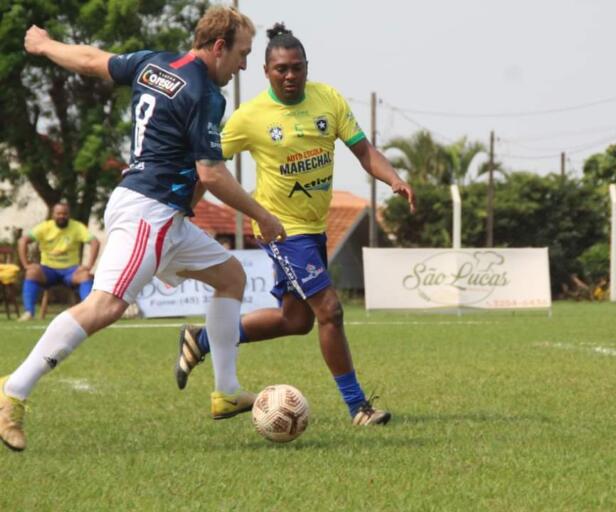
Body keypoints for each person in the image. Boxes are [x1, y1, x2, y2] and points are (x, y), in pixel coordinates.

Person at [0, 6, 285, 452]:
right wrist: (263, 216)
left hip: (162, 213)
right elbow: (210, 174)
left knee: (231, 277)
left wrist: (44, 45)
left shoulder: (155, 62)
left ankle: (226, 391)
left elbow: (94, 61)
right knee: (105, 306)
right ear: (217, 47)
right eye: (243, 54)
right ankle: (12, 392)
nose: (244, 64)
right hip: (149, 212)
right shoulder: (206, 94)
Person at [175, 23, 416, 426]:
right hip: (280, 229)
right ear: (266, 72)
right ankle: (358, 407)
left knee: (296, 320)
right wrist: (181, 210)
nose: (290, 76)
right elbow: (205, 169)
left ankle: (201, 339)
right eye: (281, 69)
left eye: (297, 68)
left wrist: (393, 178)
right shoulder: (249, 117)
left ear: (307, 67)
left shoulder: (328, 100)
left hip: (315, 225)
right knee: (330, 310)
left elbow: (363, 150)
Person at [17, 202, 100, 321]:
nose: (62, 216)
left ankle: (89, 313)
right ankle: (29, 312)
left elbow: (94, 242)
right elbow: (22, 241)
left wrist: (89, 265)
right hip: (48, 270)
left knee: (85, 276)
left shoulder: (77, 227)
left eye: (65, 214)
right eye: (59, 213)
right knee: (31, 272)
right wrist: (26, 265)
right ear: (53, 214)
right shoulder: (44, 227)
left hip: (71, 271)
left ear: (69, 215)